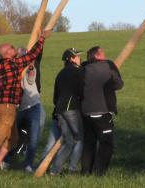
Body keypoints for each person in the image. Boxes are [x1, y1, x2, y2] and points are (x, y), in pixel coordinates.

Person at [0, 30, 50, 169]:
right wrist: (42, 38)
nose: (13, 48)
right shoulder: (13, 64)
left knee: (13, 139)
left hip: (3, 106)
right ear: (7, 54)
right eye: (11, 47)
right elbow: (33, 55)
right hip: (7, 107)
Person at [80, 45, 124, 176]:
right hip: (103, 111)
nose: (104, 54)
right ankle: (99, 173)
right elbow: (119, 84)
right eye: (102, 53)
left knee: (89, 143)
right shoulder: (108, 65)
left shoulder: (83, 68)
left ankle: (85, 171)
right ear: (97, 55)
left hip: (85, 112)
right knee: (106, 143)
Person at [49, 47, 84, 175]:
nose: (80, 58)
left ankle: (54, 171)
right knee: (79, 138)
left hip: (59, 110)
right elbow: (82, 90)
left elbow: (55, 96)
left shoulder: (61, 73)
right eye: (77, 56)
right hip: (71, 108)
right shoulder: (78, 71)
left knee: (68, 142)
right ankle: (72, 170)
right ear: (71, 58)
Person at [14, 47, 45, 172]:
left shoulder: (31, 68)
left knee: (34, 137)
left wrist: (31, 67)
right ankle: (5, 159)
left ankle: (28, 164)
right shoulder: (13, 70)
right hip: (18, 108)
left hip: (33, 106)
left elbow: (31, 78)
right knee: (12, 135)